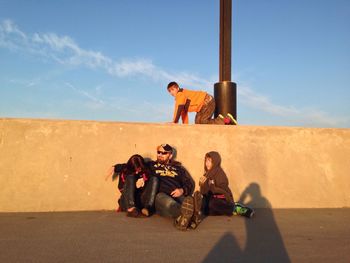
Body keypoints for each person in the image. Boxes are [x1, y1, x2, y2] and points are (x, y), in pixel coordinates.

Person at [150, 143, 202, 230]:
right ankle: (193, 216)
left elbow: (189, 182)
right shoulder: (151, 166)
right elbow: (137, 166)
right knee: (171, 204)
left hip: (178, 194)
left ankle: (185, 219)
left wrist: (182, 190)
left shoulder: (178, 168)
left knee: (186, 202)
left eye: (164, 153)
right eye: (159, 152)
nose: (160, 155)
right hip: (161, 195)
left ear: (170, 155)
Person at [199, 151, 254, 218]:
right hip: (212, 199)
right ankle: (228, 209)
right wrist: (202, 185)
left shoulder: (220, 173)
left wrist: (213, 187)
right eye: (206, 160)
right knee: (205, 208)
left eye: (210, 161)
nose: (207, 163)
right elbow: (204, 192)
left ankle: (237, 209)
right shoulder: (206, 175)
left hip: (224, 198)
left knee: (212, 204)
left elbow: (224, 191)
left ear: (215, 161)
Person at [167, 81, 237, 125]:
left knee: (203, 121)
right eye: (169, 91)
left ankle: (225, 120)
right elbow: (183, 113)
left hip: (207, 101)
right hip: (202, 107)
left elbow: (179, 108)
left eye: (172, 90)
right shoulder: (179, 99)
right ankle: (221, 119)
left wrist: (175, 122)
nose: (171, 93)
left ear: (177, 88)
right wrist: (185, 126)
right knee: (198, 123)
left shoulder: (180, 94)